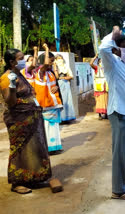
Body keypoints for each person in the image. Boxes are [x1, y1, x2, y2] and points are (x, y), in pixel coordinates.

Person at [0, 48, 52, 194]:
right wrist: (11, 86)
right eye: (21, 58)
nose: (24, 60)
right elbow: (10, 102)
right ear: (12, 62)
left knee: (33, 148)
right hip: (18, 119)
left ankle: (32, 177)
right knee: (19, 149)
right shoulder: (6, 78)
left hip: (31, 117)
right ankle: (17, 182)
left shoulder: (18, 74)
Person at [99, 26, 125, 200]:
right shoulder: (111, 63)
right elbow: (102, 48)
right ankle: (118, 190)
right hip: (119, 112)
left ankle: (121, 180)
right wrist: (114, 33)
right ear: (116, 48)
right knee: (120, 152)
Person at [32, 44, 63, 154]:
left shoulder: (50, 73)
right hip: (44, 105)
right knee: (46, 128)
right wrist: (47, 49)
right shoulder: (39, 72)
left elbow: (54, 85)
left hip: (53, 104)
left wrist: (57, 87)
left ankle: (55, 147)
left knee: (53, 127)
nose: (51, 63)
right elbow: (45, 64)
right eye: (51, 61)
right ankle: (48, 148)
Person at [55, 54, 76, 123]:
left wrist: (64, 78)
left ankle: (67, 117)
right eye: (58, 58)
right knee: (59, 101)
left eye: (61, 58)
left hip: (65, 84)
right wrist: (55, 66)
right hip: (58, 85)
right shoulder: (54, 67)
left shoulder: (66, 66)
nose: (60, 60)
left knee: (67, 100)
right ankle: (60, 118)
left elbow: (71, 76)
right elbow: (56, 77)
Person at [90, 54, 108, 120]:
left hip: (106, 87)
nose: (102, 63)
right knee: (99, 101)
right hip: (99, 88)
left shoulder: (107, 69)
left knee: (106, 101)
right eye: (100, 61)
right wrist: (95, 57)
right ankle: (100, 114)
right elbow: (91, 63)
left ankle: (106, 114)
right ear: (98, 63)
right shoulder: (97, 68)